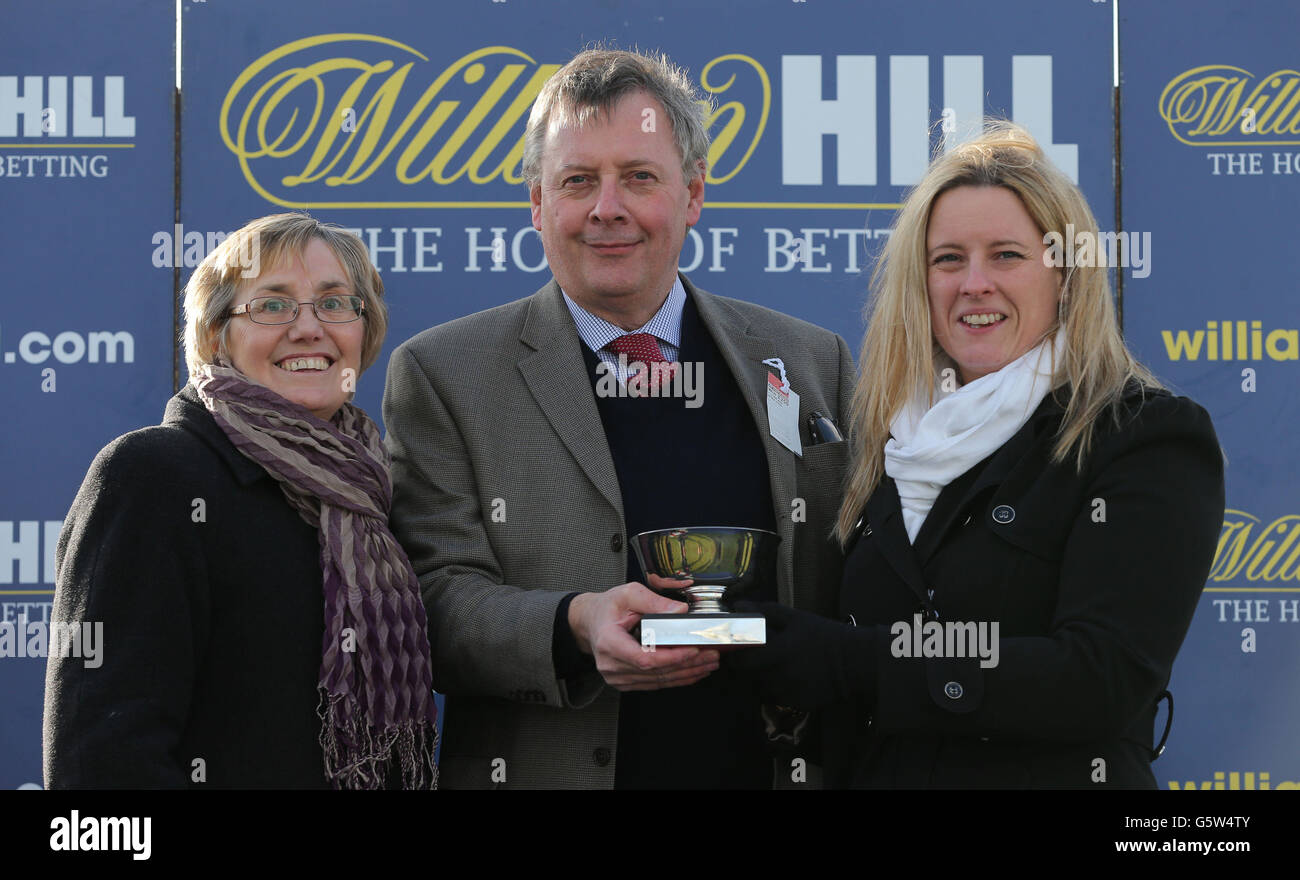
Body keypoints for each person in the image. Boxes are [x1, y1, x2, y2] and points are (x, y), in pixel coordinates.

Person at [383, 47, 856, 789]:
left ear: (693, 195)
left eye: (640, 177)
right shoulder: (445, 375)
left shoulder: (809, 360)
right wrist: (573, 623)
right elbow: (431, 608)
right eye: (578, 181)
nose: (609, 208)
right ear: (538, 204)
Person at [731, 122, 1225, 788]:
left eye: (1007, 255)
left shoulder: (1144, 436)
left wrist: (852, 662)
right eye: (948, 259)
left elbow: (1100, 678)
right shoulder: (885, 441)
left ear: (1066, 275)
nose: (974, 283)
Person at [43, 212, 438, 789]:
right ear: (215, 337)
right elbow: (99, 764)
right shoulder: (153, 477)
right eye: (272, 306)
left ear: (364, 329)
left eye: (334, 303)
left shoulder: (371, 492)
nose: (309, 329)